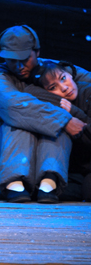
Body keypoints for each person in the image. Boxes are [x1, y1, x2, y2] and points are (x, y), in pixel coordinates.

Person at [0, 25, 88, 203]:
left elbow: (85, 79)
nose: (19, 66)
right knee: (22, 122)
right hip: (5, 151)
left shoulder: (53, 69)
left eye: (24, 59)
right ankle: (14, 184)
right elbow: (13, 105)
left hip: (46, 155)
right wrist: (65, 120)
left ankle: (49, 184)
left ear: (37, 52)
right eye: (12, 60)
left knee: (57, 128)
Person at [26, 60, 91, 201]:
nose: (64, 88)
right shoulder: (54, 104)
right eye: (53, 87)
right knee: (47, 185)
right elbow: (28, 90)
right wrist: (57, 102)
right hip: (79, 170)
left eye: (63, 78)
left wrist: (74, 112)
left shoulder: (88, 92)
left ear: (70, 74)